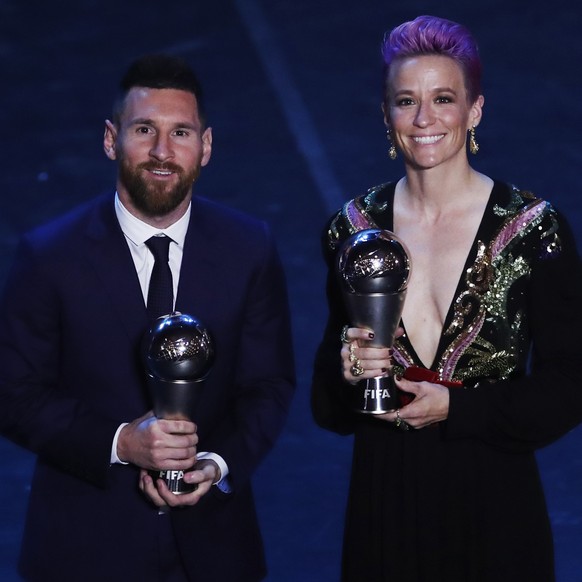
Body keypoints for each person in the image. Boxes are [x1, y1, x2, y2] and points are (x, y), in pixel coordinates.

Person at [0, 54, 295, 582]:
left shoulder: (249, 248)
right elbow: (13, 394)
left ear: (205, 147)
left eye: (181, 132)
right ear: (112, 139)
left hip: (214, 552)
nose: (163, 152)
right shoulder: (49, 256)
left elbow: (269, 385)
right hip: (85, 553)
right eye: (144, 130)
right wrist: (121, 443)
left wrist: (215, 464)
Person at [311, 15, 582, 582]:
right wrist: (346, 369)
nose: (425, 119)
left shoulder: (535, 229)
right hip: (385, 499)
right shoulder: (353, 230)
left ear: (474, 110)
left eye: (443, 98)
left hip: (497, 502)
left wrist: (457, 409)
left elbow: (570, 385)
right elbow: (328, 407)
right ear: (386, 116)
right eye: (406, 101)